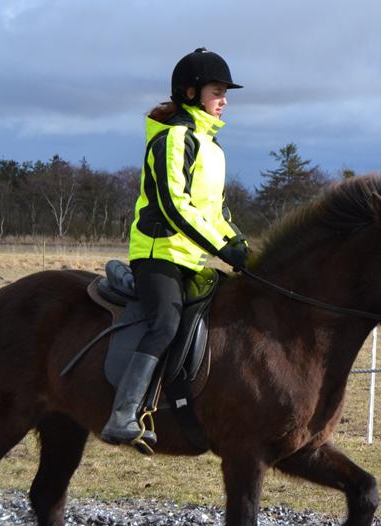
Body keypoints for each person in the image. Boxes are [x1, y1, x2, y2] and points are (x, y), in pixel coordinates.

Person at [101, 48, 249, 446]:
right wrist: (221, 246)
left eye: (224, 93)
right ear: (190, 93)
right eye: (217, 92)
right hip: (157, 253)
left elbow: (215, 212)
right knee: (164, 323)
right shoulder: (172, 140)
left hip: (191, 258)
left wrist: (240, 247)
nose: (224, 101)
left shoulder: (213, 150)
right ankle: (123, 414)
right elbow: (173, 205)